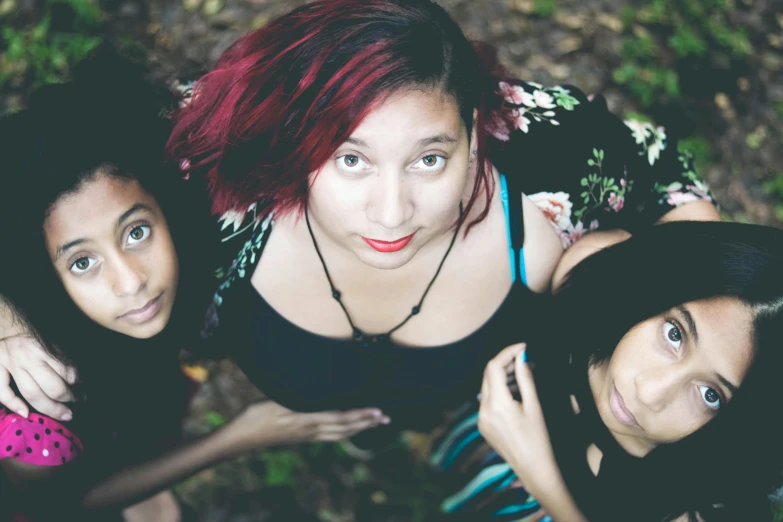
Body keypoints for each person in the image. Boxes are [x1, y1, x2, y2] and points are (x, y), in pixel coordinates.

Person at [0, 0, 718, 450]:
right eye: (349, 159)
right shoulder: (212, 160)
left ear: (476, 130)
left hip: (447, 405)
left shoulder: (547, 160)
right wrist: (10, 313)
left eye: (430, 159)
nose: (390, 212)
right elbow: (46, 171)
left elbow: (658, 168)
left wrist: (703, 278)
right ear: (292, 140)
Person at [0, 61, 388, 521]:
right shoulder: (32, 410)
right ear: (43, 275)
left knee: (143, 432)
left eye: (136, 232)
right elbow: (52, 503)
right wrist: (240, 436)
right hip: (70, 469)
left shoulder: (180, 188)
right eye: (83, 262)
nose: (131, 282)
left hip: (131, 391)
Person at [433, 221, 783, 521]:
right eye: (674, 334)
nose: (649, 393)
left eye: (710, 395)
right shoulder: (598, 271)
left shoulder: (704, 509)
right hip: (476, 446)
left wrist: (542, 478)